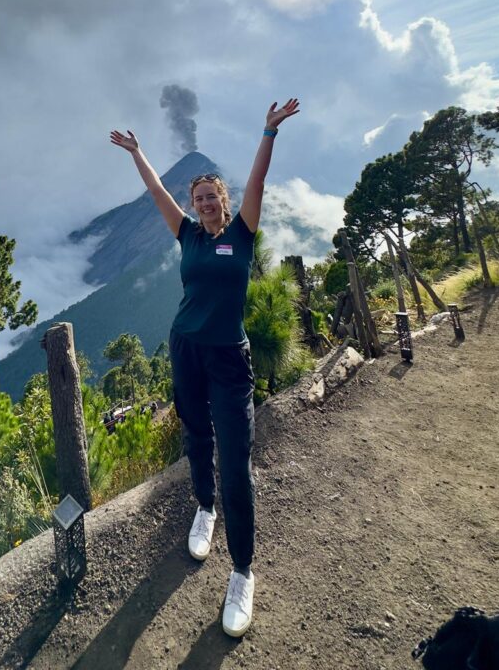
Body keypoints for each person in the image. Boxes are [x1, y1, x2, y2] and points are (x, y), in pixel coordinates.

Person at [110, 98, 299, 637]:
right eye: (199, 198)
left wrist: (267, 132)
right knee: (197, 437)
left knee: (237, 464)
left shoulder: (243, 232)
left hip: (228, 361)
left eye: (213, 196)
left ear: (225, 200)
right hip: (185, 348)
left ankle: (242, 571)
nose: (206, 204)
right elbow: (156, 194)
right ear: (194, 205)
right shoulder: (187, 234)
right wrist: (140, 153)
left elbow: (259, 182)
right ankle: (203, 507)